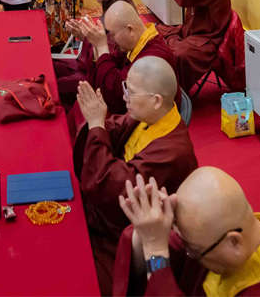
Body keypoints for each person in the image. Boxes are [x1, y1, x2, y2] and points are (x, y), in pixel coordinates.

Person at [74, 55, 198, 293]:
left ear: (156, 100)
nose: (124, 97)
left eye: (130, 92)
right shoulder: (153, 115)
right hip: (112, 218)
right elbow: (117, 126)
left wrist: (97, 125)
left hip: (130, 236)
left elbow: (112, 188)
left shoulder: (173, 152)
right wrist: (98, 120)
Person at [113, 168, 260, 296]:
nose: (189, 254)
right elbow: (164, 244)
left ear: (234, 242)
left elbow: (157, 255)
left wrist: (155, 250)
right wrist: (150, 226)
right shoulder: (218, 236)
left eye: (193, 251)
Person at [59, 0, 176, 116]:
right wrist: (94, 43)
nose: (112, 40)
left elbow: (117, 97)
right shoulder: (137, 41)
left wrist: (102, 47)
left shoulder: (154, 58)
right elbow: (111, 61)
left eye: (113, 34)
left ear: (130, 30)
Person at [158, 0, 231, 92]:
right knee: (155, 34)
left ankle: (175, 92)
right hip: (189, 31)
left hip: (207, 39)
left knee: (179, 54)